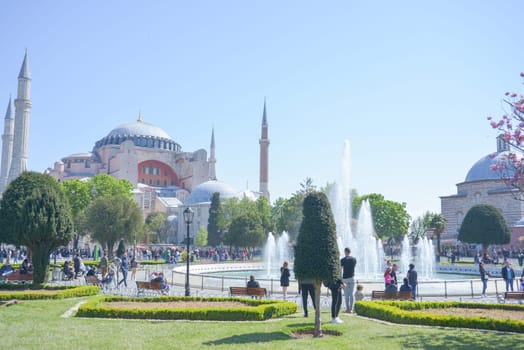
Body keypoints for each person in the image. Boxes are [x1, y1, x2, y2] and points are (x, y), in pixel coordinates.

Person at [341, 247, 357, 313]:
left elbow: (340, 268)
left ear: (345, 252)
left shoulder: (342, 260)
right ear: (350, 252)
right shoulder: (354, 259)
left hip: (345, 278)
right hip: (352, 278)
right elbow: (354, 266)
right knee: (351, 294)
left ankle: (347, 309)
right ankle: (351, 309)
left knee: (346, 295)